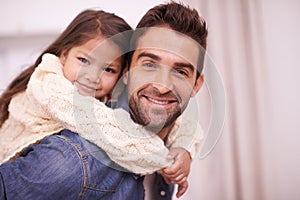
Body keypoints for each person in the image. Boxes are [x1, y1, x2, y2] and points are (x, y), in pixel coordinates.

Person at [0, 2, 207, 199]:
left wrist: (184, 150)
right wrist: (162, 159)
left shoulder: (169, 129)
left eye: (180, 72)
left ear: (196, 85)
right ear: (128, 73)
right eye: (149, 65)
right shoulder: (74, 158)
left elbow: (187, 126)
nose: (162, 87)